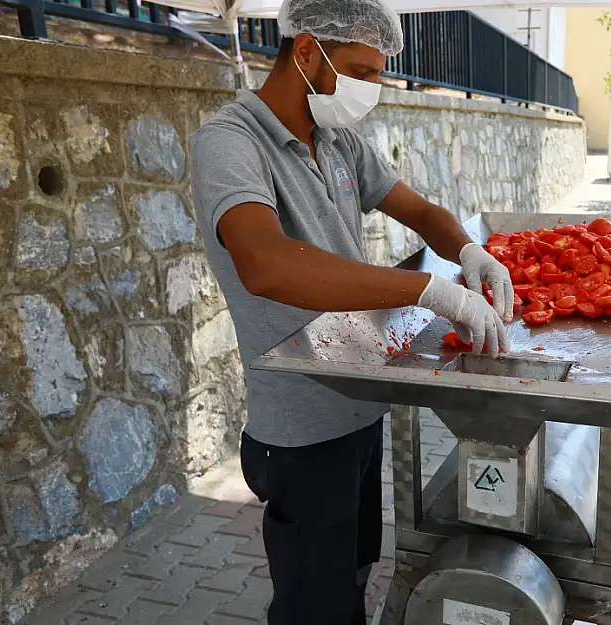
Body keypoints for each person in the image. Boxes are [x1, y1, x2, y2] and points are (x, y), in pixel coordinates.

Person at [189, 1, 514, 623]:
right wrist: (422, 291)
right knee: (316, 602)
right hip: (300, 429)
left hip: (359, 404)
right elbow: (265, 262)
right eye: (363, 72)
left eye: (380, 75)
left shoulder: (337, 141)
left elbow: (420, 212)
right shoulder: (230, 143)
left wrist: (468, 251)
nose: (373, 90)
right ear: (307, 53)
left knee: (359, 568)